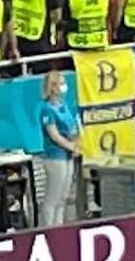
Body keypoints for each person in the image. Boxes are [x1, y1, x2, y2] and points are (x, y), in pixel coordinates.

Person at [39, 70, 78, 227]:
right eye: (61, 83)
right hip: (55, 156)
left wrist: (76, 142)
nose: (64, 86)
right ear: (53, 86)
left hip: (68, 154)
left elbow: (72, 127)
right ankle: (48, 230)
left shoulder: (63, 105)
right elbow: (54, 134)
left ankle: (59, 227)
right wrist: (70, 146)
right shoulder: (46, 109)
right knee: (52, 198)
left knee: (63, 197)